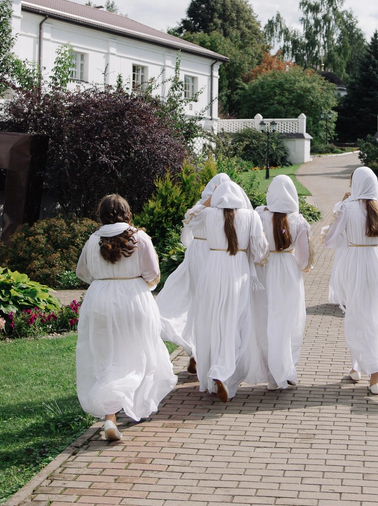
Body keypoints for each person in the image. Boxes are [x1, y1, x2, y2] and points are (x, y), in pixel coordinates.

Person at [76, 195, 177, 442]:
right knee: (139, 351)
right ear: (126, 212)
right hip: (134, 299)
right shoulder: (140, 238)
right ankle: (137, 405)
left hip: (100, 300)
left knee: (105, 356)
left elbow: (82, 272)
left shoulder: (93, 240)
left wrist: (104, 280)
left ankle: (110, 416)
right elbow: (153, 273)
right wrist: (137, 282)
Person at [322, 166, 378, 394]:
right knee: (376, 315)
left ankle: (363, 368)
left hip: (354, 263)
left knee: (356, 315)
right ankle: (367, 371)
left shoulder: (347, 208)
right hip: (377, 264)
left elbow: (329, 241)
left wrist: (343, 235)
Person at [189, 181, 269, 403]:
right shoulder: (251, 216)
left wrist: (209, 200)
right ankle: (223, 371)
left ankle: (215, 370)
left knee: (214, 322)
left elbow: (190, 219)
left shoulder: (209, 214)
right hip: (238, 271)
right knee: (236, 322)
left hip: (212, 270)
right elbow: (260, 250)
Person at [156, 173, 230, 374]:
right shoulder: (204, 208)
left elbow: (186, 235)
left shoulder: (215, 210)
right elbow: (189, 223)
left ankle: (201, 354)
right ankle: (200, 353)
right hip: (207, 255)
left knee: (208, 305)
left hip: (207, 253)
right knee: (201, 304)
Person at [247, 175, 313, 390]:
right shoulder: (298, 221)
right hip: (287, 269)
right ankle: (285, 369)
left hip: (264, 268)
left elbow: (253, 245)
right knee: (288, 320)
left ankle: (271, 373)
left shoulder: (259, 215)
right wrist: (302, 266)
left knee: (264, 319)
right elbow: (303, 258)